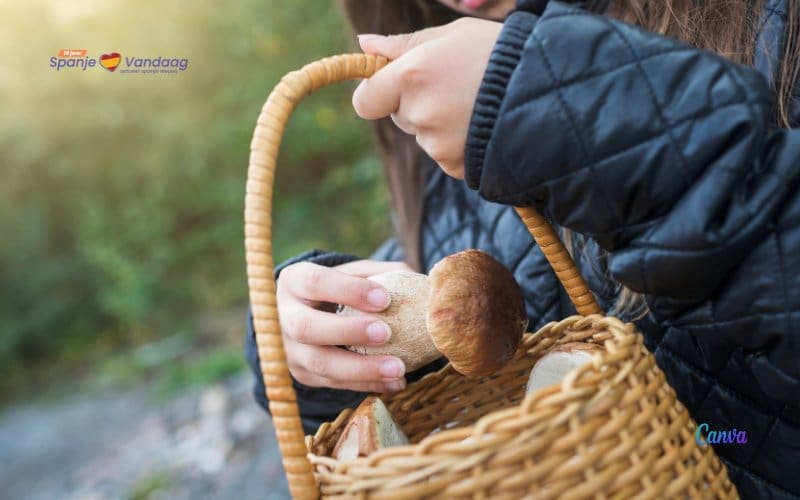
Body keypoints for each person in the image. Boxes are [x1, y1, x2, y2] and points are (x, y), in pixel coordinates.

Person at [246, 1, 800, 497]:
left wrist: (552, 105)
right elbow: (442, 304)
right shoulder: (436, 127)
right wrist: (306, 330)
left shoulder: (770, 21)